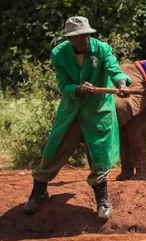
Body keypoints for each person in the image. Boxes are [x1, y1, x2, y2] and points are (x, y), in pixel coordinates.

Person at [24, 16, 131, 221]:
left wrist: (121, 85)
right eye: (79, 36)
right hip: (72, 109)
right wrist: (78, 89)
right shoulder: (59, 54)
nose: (85, 39)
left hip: (98, 110)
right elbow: (63, 85)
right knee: (54, 148)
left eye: (87, 35)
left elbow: (114, 69)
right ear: (70, 38)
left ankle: (102, 200)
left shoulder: (101, 49)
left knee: (99, 153)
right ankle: (39, 193)